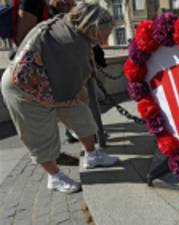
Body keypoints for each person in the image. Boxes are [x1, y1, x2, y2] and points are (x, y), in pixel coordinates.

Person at [1, 2, 119, 193]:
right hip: (22, 89)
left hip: (50, 84)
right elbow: (76, 82)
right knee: (41, 136)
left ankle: (92, 156)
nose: (105, 39)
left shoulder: (69, 28)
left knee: (83, 117)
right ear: (93, 28)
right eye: (104, 33)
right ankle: (54, 177)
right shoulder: (71, 42)